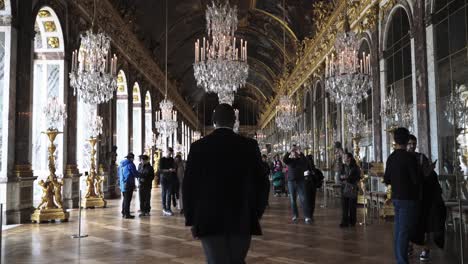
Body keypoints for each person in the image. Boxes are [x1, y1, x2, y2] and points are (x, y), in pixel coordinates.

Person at [183, 104, 270, 264]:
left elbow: (189, 186)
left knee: (215, 260)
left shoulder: (198, 147)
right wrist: (256, 212)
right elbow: (262, 183)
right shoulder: (249, 146)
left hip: (208, 217)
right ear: (234, 121)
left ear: (214, 121)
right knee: (237, 260)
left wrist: (192, 218)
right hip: (241, 216)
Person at [384, 127, 422, 264]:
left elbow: (387, 179)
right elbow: (416, 180)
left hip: (396, 197)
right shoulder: (409, 158)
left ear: (395, 140)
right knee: (404, 231)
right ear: (407, 140)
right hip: (408, 198)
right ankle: (401, 261)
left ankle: (399, 259)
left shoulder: (391, 158)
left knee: (399, 230)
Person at [407, 135, 446, 261]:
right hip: (410, 197)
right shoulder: (405, 158)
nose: (412, 146)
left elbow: (430, 177)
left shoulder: (421, 157)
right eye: (410, 143)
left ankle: (426, 249)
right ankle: (410, 245)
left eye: (414, 143)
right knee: (410, 224)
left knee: (426, 226)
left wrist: (427, 174)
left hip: (425, 197)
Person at [283, 145, 311, 224]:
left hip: (300, 181)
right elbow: (284, 159)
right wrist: (289, 151)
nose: (294, 153)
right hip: (291, 182)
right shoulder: (289, 160)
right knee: (293, 200)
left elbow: (305, 162)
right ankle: (295, 215)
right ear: (291, 153)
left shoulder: (300, 159)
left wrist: (300, 153)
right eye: (293, 151)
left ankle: (307, 216)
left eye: (295, 151)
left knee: (303, 199)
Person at [339, 152, 361, 227]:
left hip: (352, 188)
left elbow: (353, 178)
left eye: (345, 157)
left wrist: (345, 178)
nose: (344, 158)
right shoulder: (343, 166)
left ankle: (352, 221)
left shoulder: (355, 167)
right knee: (344, 206)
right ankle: (344, 221)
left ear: (349, 158)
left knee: (352, 206)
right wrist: (345, 178)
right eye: (343, 157)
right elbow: (340, 176)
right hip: (344, 188)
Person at [118, 153, 140, 219]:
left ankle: (123, 212)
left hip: (122, 183)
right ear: (131, 158)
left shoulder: (121, 164)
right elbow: (135, 173)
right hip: (128, 183)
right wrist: (141, 175)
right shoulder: (131, 164)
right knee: (128, 199)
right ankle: (127, 214)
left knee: (125, 198)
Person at [305, 155, 323, 221]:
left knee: (309, 200)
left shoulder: (308, 168)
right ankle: (309, 215)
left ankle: (309, 215)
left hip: (309, 185)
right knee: (311, 200)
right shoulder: (312, 169)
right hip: (311, 186)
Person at [158, 147, 176, 216]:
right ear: (167, 151)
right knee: (164, 193)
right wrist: (169, 170)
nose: (170, 154)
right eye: (169, 153)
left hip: (170, 177)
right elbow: (160, 170)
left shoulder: (172, 159)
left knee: (169, 194)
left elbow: (174, 167)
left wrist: (173, 169)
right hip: (164, 178)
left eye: (171, 153)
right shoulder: (162, 159)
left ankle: (168, 208)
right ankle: (164, 208)